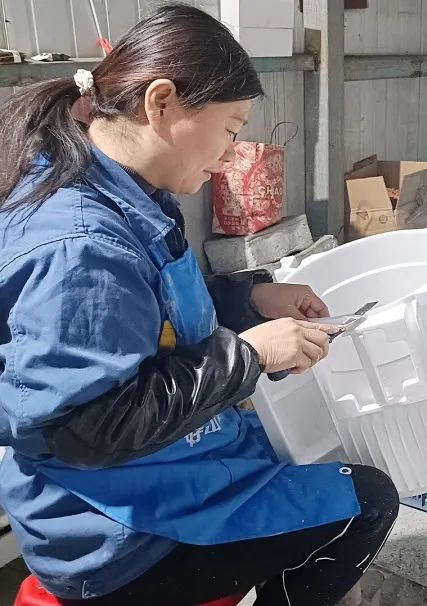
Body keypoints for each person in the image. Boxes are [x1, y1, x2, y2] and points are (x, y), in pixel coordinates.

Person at [0, 5, 398, 605]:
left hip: (148, 478)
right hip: (117, 533)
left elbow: (146, 315)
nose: (231, 153)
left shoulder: (120, 189)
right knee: (365, 501)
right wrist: (250, 356)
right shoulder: (81, 247)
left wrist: (251, 298)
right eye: (232, 129)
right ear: (160, 103)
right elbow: (89, 429)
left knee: (296, 446)